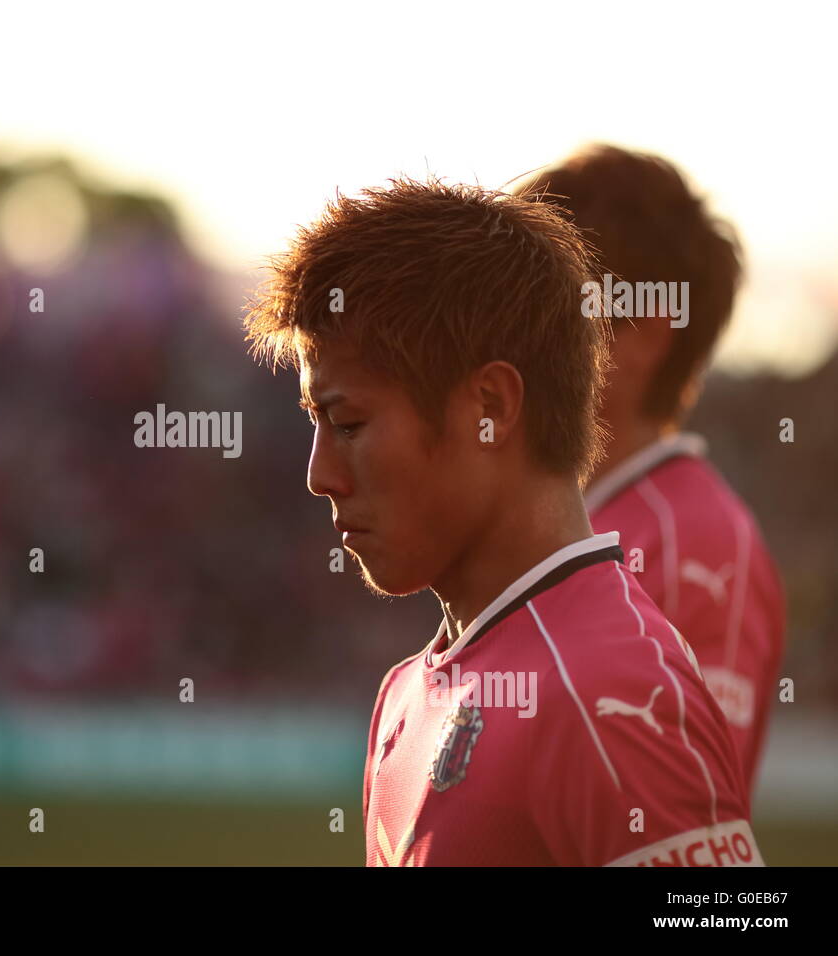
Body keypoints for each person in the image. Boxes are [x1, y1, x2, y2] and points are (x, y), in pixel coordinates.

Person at [243, 177, 761, 866]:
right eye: (316, 424)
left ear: (490, 405)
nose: (319, 474)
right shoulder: (404, 694)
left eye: (348, 423)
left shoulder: (611, 694)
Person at [513, 146, 785, 800]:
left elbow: (681, 828)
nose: (499, 334)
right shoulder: (549, 519)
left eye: (536, 304)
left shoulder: (700, 544)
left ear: (643, 335)